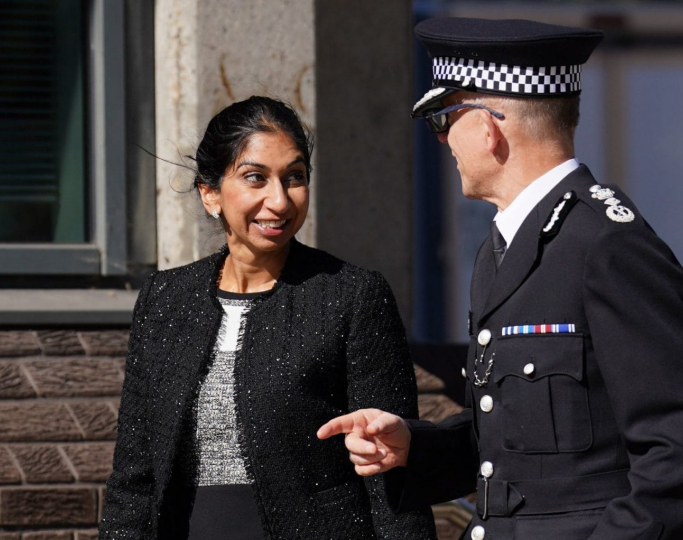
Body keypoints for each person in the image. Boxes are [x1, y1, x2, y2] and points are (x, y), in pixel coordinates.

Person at [318, 18, 683, 540]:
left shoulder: (605, 244)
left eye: (445, 120)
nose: (443, 139)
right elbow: (514, 444)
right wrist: (416, 447)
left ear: (488, 128)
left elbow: (682, 440)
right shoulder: (503, 247)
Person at [99, 96, 437, 540]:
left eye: (294, 178)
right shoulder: (166, 299)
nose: (278, 201)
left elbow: (390, 472)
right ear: (211, 193)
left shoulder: (352, 296)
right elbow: (135, 474)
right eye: (255, 178)